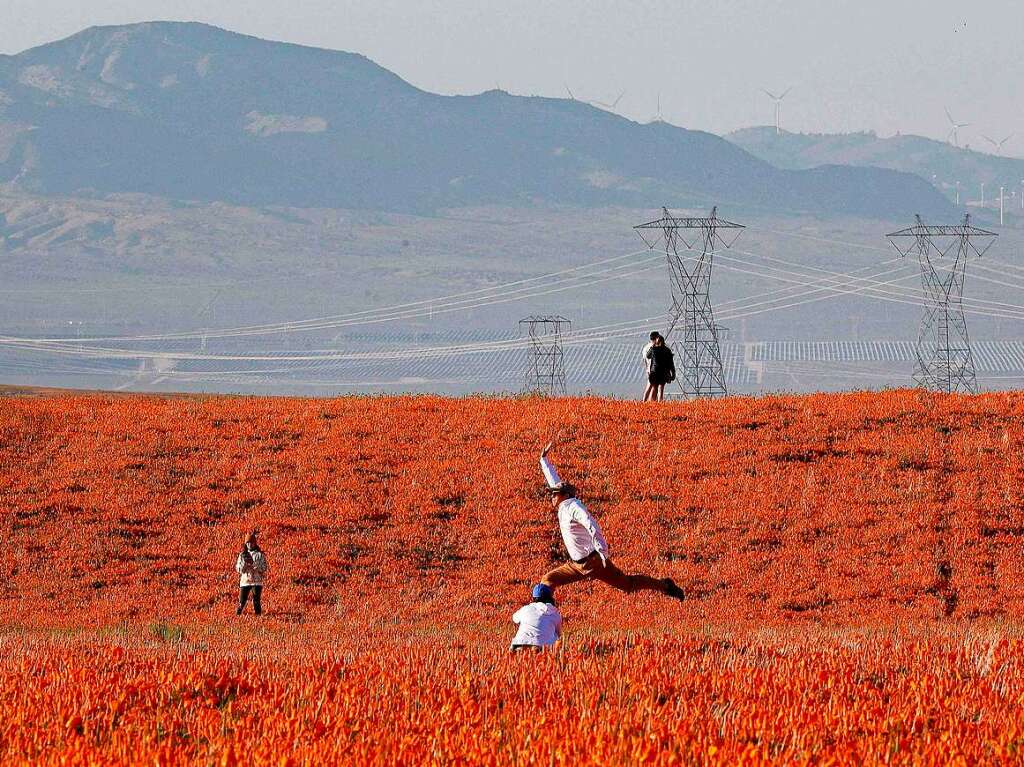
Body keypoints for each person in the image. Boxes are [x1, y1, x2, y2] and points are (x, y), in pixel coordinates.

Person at [539, 442, 685, 600]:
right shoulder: (563, 505)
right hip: (577, 565)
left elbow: (591, 524)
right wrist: (544, 460)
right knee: (547, 580)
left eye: (555, 494)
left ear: (565, 494)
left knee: (627, 585)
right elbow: (554, 482)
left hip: (593, 562)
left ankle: (665, 586)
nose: (552, 496)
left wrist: (602, 551)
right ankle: (547, 614)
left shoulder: (574, 507)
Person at [510, 583, 562, 652]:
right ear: (550, 597)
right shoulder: (555, 613)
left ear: (534, 597)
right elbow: (558, 634)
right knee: (556, 636)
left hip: (518, 645)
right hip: (541, 648)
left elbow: (514, 618)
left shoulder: (526, 609)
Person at [235, 531, 269, 615]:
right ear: (246, 544)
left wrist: (257, 568)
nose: (250, 544)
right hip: (245, 581)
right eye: (248, 542)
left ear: (254, 543)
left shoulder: (260, 555)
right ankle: (236, 617)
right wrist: (244, 567)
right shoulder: (242, 555)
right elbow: (238, 568)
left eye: (251, 542)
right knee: (241, 602)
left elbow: (265, 567)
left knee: (256, 601)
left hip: (257, 581)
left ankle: (258, 617)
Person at [644, 332, 675, 402]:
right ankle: (660, 404)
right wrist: (673, 373)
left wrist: (653, 346)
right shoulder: (667, 350)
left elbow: (647, 356)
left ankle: (652, 404)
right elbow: (671, 363)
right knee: (661, 389)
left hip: (654, 372)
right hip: (663, 372)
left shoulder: (653, 349)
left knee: (654, 388)